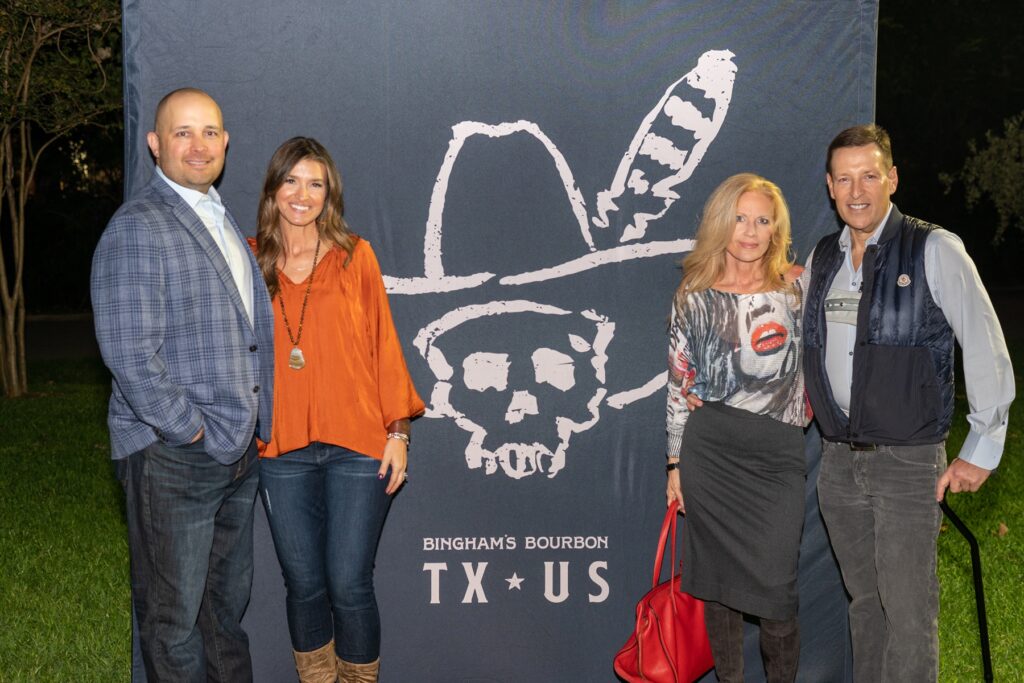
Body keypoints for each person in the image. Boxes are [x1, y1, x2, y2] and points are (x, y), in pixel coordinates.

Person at [803, 124, 1015, 682]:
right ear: (829, 186)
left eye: (869, 175)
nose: (857, 191)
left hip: (907, 461)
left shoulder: (935, 248)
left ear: (891, 178)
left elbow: (986, 345)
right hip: (838, 463)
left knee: (909, 611)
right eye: (844, 178)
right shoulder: (823, 258)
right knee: (864, 605)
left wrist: (982, 445)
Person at [91, 88, 274, 681]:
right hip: (176, 457)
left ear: (226, 142)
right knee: (172, 623)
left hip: (237, 455)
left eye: (211, 132)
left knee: (225, 612)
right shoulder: (139, 226)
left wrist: (246, 427)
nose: (199, 146)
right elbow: (129, 352)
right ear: (155, 144)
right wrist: (187, 428)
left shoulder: (222, 221)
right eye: (182, 133)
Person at [251, 137, 425, 683]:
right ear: (274, 188)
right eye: (292, 181)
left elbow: (383, 344)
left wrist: (399, 431)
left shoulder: (356, 255)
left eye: (316, 184)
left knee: (349, 582)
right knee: (303, 584)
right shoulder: (249, 258)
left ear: (330, 194)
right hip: (280, 449)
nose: (302, 195)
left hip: (357, 445)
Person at [666, 173, 808, 683]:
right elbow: (678, 385)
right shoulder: (694, 297)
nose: (750, 231)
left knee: (776, 593)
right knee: (718, 584)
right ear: (720, 225)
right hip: (712, 454)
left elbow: (826, 357)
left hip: (776, 457)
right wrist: (676, 463)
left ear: (776, 229)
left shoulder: (797, 288)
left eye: (762, 220)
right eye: (740, 218)